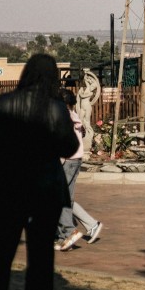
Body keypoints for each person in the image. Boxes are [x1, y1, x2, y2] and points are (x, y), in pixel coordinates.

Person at [0, 53, 78, 290]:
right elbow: (69, 148)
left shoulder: (0, 102)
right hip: (45, 193)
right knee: (41, 264)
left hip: (7, 190)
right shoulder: (56, 108)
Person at [55, 89, 102, 252]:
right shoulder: (73, 116)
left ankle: (69, 232)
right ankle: (66, 236)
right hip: (76, 159)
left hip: (66, 160)